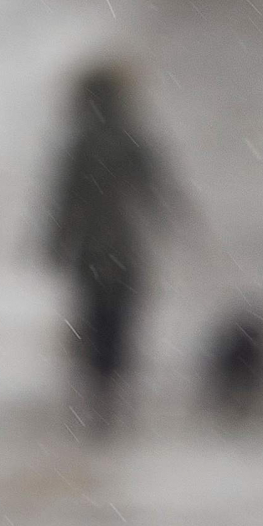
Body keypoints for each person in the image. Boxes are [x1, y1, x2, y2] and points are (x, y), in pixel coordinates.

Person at [41, 60, 183, 437]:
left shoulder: (81, 144)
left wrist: (56, 243)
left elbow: (64, 201)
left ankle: (98, 398)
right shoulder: (130, 139)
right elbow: (158, 192)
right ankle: (115, 399)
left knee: (93, 322)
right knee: (120, 325)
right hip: (124, 248)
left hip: (90, 249)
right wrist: (176, 223)